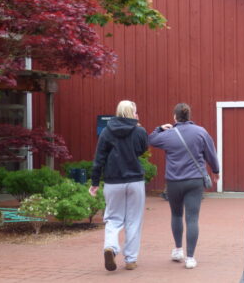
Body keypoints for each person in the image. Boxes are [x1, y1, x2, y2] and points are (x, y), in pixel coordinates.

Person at [148, 103, 219, 269]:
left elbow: (150, 139)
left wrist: (159, 128)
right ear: (189, 115)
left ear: (174, 117)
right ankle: (191, 258)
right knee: (192, 218)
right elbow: (211, 152)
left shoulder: (169, 134)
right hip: (194, 180)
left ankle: (178, 249)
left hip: (174, 181)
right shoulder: (201, 132)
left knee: (177, 215)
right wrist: (216, 170)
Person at [89, 100, 148, 271]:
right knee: (134, 220)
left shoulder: (107, 132)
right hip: (135, 180)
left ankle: (110, 247)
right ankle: (130, 259)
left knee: (113, 218)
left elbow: (99, 158)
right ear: (133, 112)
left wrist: (94, 182)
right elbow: (142, 150)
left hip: (113, 181)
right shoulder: (139, 131)